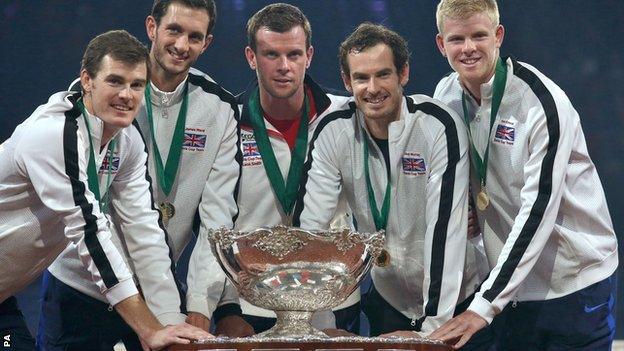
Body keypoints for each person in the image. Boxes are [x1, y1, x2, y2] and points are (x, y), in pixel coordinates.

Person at [38, 1, 251, 348]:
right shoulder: (100, 94)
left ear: (207, 43)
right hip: (80, 286)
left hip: (157, 287)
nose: (182, 45)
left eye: (194, 36)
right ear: (152, 27)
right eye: (174, 30)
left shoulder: (220, 109)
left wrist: (199, 305)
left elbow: (217, 218)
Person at [0, 29, 210, 351]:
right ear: (87, 80)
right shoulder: (55, 134)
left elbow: (143, 229)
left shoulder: (125, 142)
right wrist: (149, 330)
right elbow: (89, 231)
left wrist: (168, 321)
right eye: (115, 81)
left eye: (136, 85)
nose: (127, 94)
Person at [430, 0, 619, 349]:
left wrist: (484, 305)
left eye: (479, 36)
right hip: (509, 289)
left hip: (572, 284)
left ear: (498, 36)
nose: (468, 48)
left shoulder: (541, 103)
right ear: (441, 44)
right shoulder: (445, 96)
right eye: (457, 39)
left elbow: (538, 209)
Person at [294, 22, 486, 341]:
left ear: (403, 73)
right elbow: (313, 230)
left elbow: (446, 231)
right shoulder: (332, 131)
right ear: (347, 81)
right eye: (361, 77)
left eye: (383, 74)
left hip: (456, 304)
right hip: (387, 302)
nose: (372, 88)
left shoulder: (437, 125)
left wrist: (433, 329)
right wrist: (318, 321)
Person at [186, 3, 359, 335]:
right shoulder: (229, 124)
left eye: (294, 55)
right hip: (251, 302)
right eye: (271, 55)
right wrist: (214, 306)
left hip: (333, 298)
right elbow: (216, 221)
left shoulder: (345, 117)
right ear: (251, 57)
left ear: (309, 55)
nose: (284, 66)